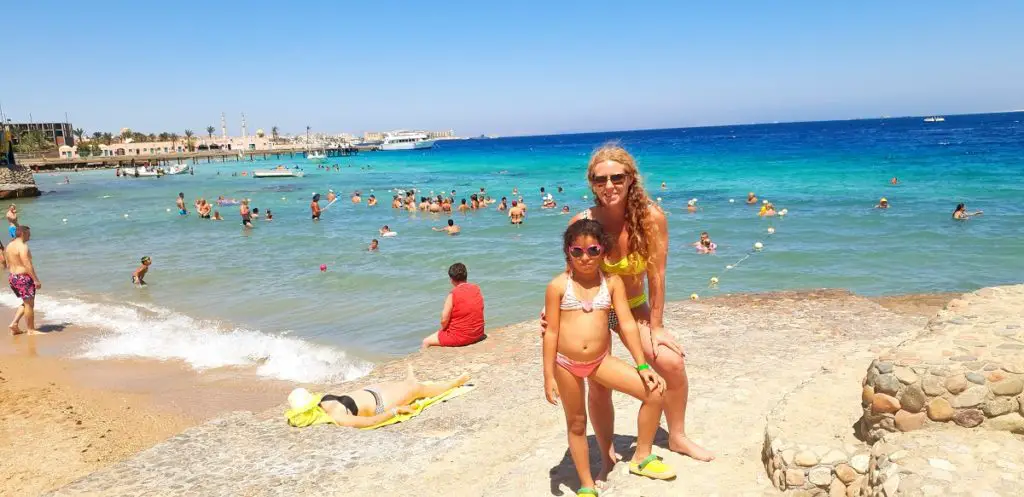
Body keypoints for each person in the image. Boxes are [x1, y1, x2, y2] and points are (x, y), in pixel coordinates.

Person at [547, 144, 713, 466]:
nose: (609, 186)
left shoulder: (651, 217)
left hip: (633, 305)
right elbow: (573, 271)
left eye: (617, 177)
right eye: (600, 179)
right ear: (592, 183)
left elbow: (658, 275)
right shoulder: (582, 221)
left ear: (630, 178)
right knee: (597, 384)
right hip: (592, 309)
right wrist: (553, 310)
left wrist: (657, 325)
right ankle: (607, 452)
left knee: (671, 363)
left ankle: (676, 437)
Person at [543, 219, 674, 494]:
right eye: (577, 251)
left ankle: (642, 456)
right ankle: (587, 485)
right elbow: (551, 333)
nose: (585, 257)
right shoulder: (557, 286)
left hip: (600, 361)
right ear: (568, 252)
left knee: (655, 391)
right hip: (565, 365)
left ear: (603, 251)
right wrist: (548, 376)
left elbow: (626, 324)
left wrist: (642, 364)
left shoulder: (612, 283)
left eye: (592, 250)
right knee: (577, 422)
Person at [292, 369, 470, 428]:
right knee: (418, 389)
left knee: (406, 385)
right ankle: (453, 384)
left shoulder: (325, 401)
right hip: (381, 401)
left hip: (374, 391)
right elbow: (372, 421)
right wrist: (395, 411)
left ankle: (408, 381)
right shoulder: (338, 414)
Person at [421, 263, 485, 349]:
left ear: (451, 279)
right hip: (478, 333)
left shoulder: (453, 294)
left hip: (462, 337)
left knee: (426, 341)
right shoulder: (476, 288)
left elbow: (444, 320)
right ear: (466, 276)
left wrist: (444, 330)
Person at [5, 226, 41, 335]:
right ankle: (31, 330)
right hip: (23, 278)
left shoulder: (9, 245)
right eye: (28, 234)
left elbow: (7, 263)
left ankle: (14, 324)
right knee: (30, 304)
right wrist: (35, 280)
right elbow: (27, 263)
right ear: (23, 234)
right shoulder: (23, 246)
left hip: (13, 277)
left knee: (26, 303)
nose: (30, 236)